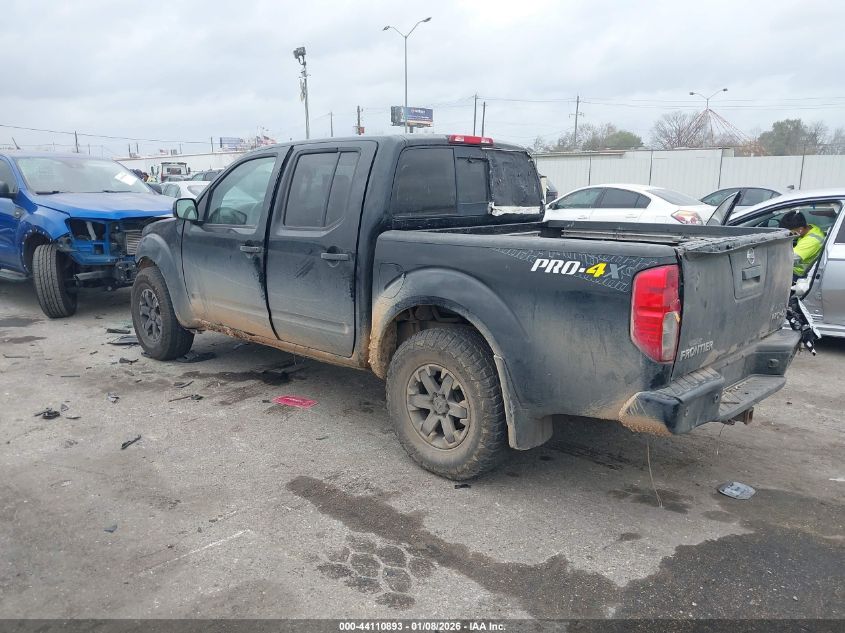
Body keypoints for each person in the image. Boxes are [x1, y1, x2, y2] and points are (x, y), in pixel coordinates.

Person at [779, 211, 825, 278]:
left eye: (789, 233)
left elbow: (787, 259)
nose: (787, 235)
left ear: (800, 229)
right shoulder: (810, 228)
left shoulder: (810, 241)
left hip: (797, 274)